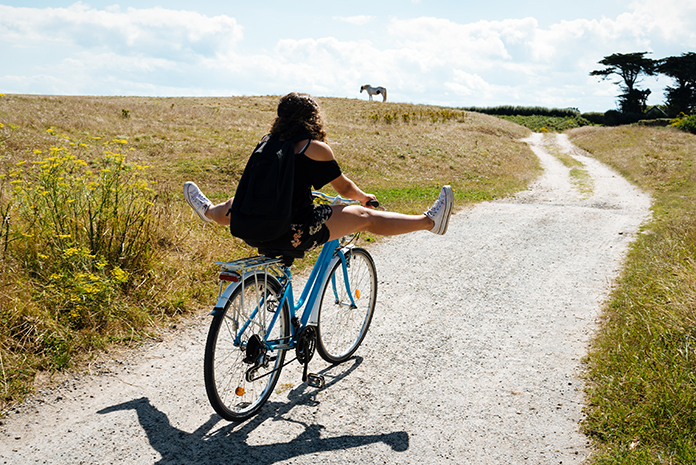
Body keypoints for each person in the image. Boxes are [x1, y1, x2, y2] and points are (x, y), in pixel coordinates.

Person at [183, 92, 453, 252]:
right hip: (290, 232)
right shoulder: (313, 148)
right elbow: (344, 190)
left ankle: (207, 211)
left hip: (248, 227)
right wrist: (363, 197)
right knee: (365, 216)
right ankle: (429, 222)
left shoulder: (267, 143)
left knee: (235, 203)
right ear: (313, 118)